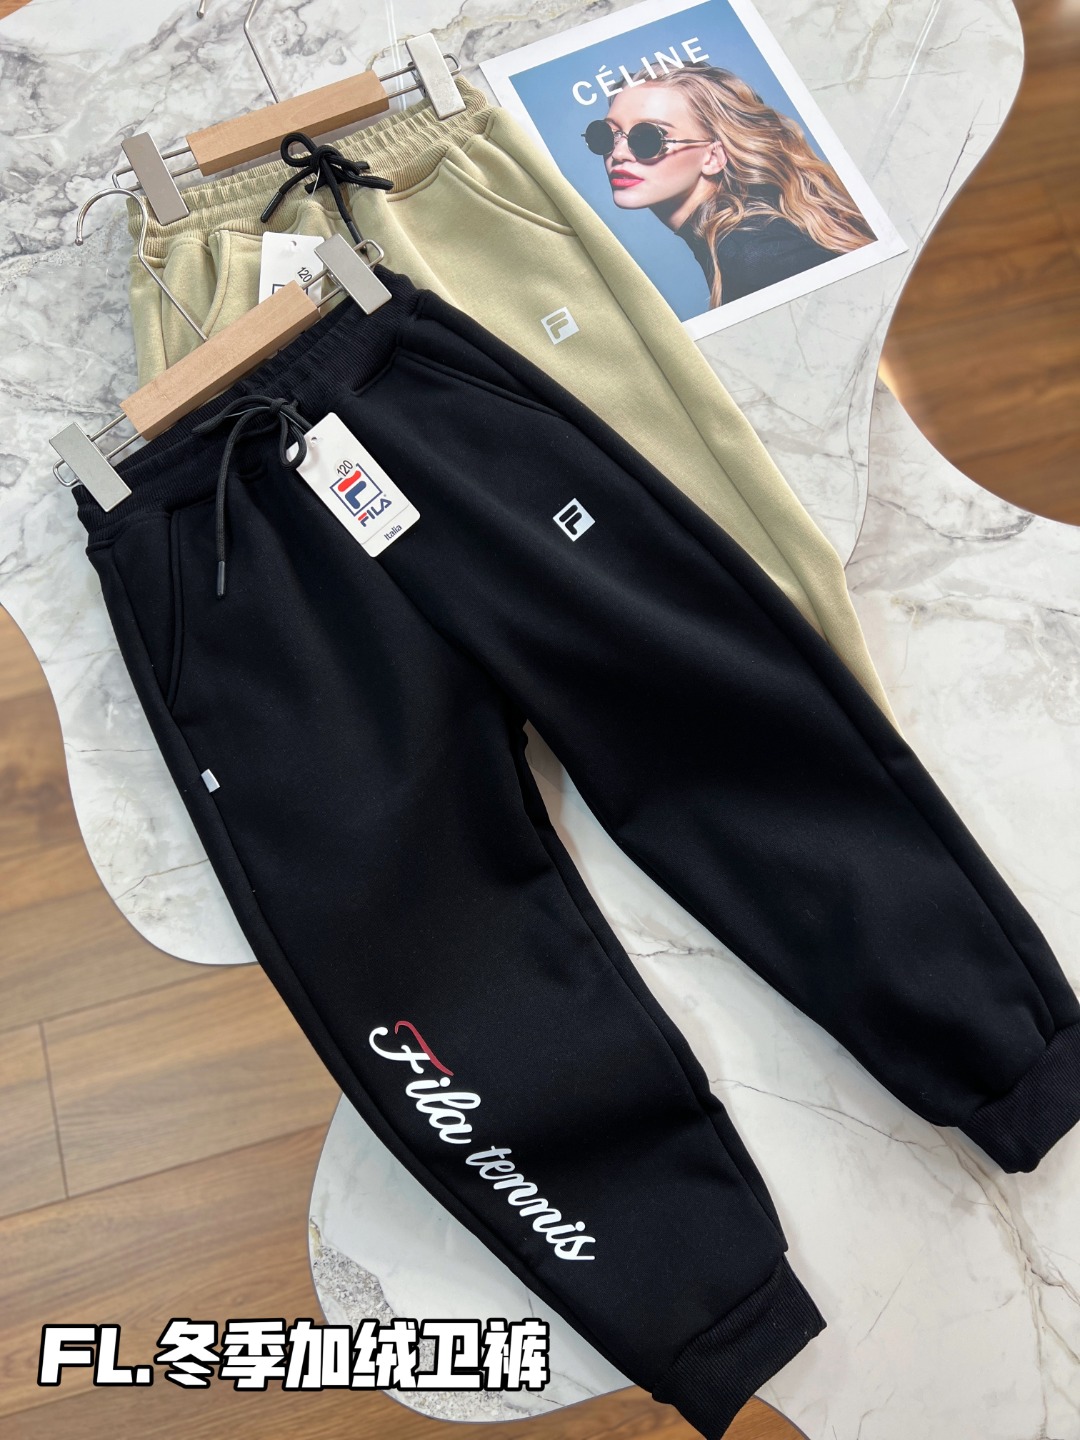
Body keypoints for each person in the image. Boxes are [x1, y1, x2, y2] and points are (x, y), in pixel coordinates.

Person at [582, 62, 875, 306]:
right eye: (606, 135)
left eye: (647, 138)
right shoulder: (743, 240)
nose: (618, 154)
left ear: (713, 157)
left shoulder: (755, 254)